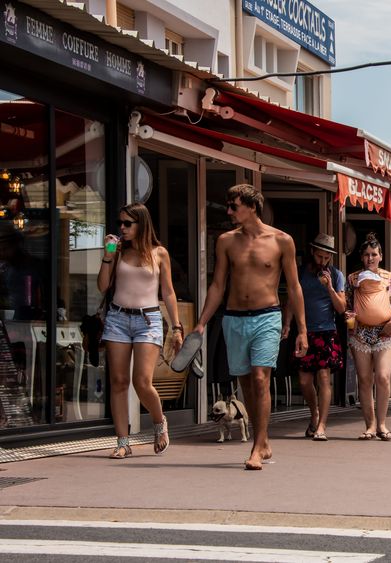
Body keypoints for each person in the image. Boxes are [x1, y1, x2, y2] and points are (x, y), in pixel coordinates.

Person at [192, 185, 308, 470]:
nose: (229, 211)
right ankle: (263, 441)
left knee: (260, 379)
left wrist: (302, 329)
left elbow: (294, 287)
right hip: (234, 318)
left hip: (267, 316)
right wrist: (202, 322)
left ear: (252, 206)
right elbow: (218, 284)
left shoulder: (282, 241)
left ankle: (257, 446)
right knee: (246, 384)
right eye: (228, 206)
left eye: (234, 206)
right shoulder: (226, 241)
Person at [98, 203, 183, 459]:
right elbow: (103, 286)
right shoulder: (118, 250)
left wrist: (177, 327)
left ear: (141, 224)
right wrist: (108, 255)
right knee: (119, 382)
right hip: (118, 319)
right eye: (120, 223)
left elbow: (167, 291)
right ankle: (123, 441)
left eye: (127, 224)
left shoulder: (159, 253)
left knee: (142, 381)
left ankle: (159, 423)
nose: (122, 228)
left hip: (148, 320)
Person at [345, 233, 391, 442]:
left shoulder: (390, 278)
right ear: (361, 257)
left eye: (374, 254)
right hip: (361, 334)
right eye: (366, 255)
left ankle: (382, 423)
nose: (370, 258)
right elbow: (346, 304)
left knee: (382, 376)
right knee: (364, 380)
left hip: (385, 333)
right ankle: (370, 425)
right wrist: (349, 316)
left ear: (381, 256)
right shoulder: (353, 279)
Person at [282, 234, 345, 442]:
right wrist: (287, 324)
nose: (323, 262)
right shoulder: (300, 273)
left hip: (326, 331)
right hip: (304, 332)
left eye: (327, 258)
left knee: (324, 377)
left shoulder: (336, 275)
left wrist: (329, 288)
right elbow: (291, 300)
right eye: (320, 257)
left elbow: (342, 308)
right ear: (312, 252)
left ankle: (322, 425)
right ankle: (314, 413)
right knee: (304, 380)